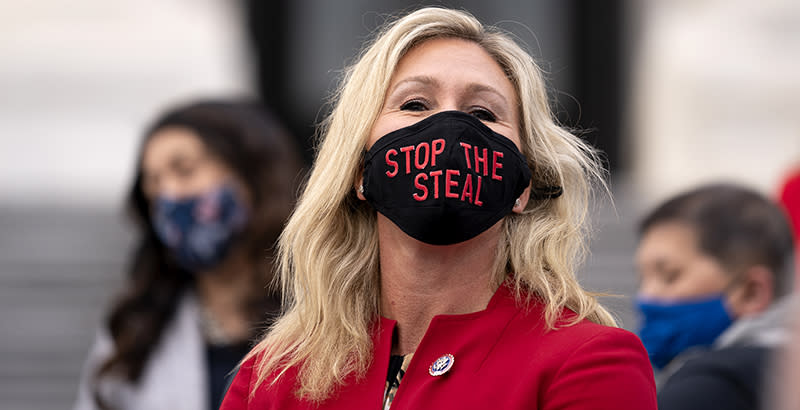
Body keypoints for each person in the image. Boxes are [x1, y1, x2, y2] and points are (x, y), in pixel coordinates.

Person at [220, 7, 656, 410]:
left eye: (484, 113)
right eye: (414, 105)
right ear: (359, 172)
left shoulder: (588, 361)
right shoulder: (273, 378)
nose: (450, 129)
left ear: (523, 186)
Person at [73, 100, 303, 410]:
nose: (170, 195)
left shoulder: (326, 310)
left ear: (253, 175)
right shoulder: (134, 330)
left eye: (185, 170)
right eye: (153, 185)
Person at [634, 183, 796, 409]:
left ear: (752, 292)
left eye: (670, 276)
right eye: (642, 279)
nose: (646, 297)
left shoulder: (710, 386)